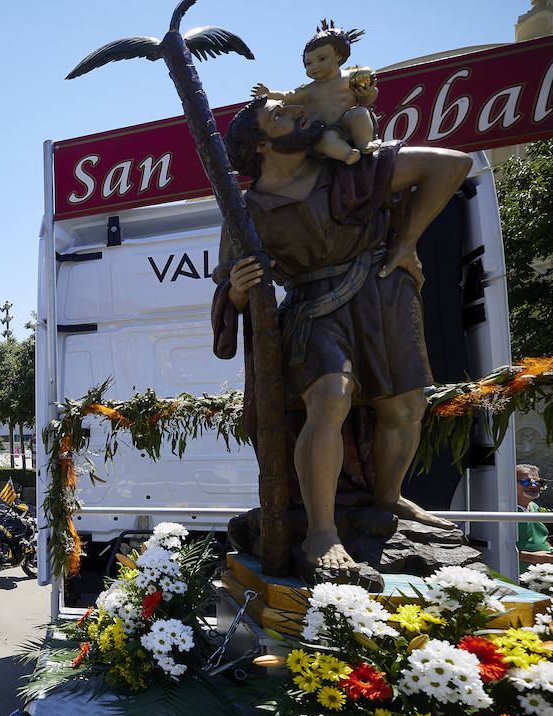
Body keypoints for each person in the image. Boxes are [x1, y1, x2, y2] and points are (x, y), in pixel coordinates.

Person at [214, 95, 472, 580]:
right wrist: (241, 290)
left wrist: (406, 241)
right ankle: (320, 531)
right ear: (262, 144)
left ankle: (388, 497)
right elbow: (229, 285)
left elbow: (452, 165)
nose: (299, 112)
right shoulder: (246, 212)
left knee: (405, 407)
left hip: (380, 291)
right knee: (329, 398)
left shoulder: (352, 171)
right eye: (280, 114)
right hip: (314, 306)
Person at [251, 20, 379, 166]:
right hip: (325, 130)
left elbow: (367, 99)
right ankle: (348, 154)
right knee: (325, 139)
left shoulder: (352, 77)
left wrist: (368, 92)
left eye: (321, 59)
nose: (314, 67)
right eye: (308, 63)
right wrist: (269, 94)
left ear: (339, 56)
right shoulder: (309, 89)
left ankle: (365, 142)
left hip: (348, 123)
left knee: (360, 113)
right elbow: (288, 96)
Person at [517, 464, 553, 572]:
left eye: (538, 482)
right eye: (525, 482)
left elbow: (539, 536)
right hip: (518, 577)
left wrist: (549, 549)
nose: (534, 486)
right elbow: (496, 550)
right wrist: (531, 557)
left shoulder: (534, 507)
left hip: (542, 573)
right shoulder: (503, 512)